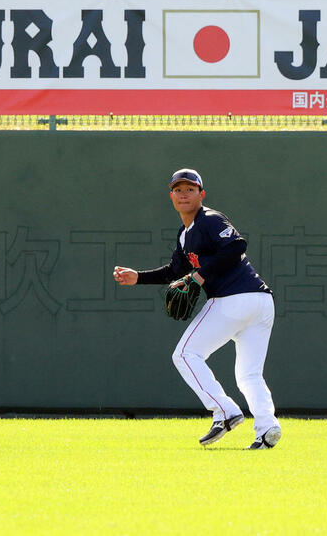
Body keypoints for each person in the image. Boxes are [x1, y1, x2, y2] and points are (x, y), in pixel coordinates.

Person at [113, 168, 281, 449]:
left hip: (234, 299)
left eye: (190, 189)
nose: (183, 194)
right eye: (178, 189)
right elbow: (175, 270)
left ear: (201, 194)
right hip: (260, 303)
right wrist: (138, 277)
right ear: (171, 196)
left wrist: (201, 275)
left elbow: (237, 245)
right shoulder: (185, 234)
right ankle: (267, 428)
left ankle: (224, 411)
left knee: (185, 353)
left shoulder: (210, 220)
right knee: (249, 373)